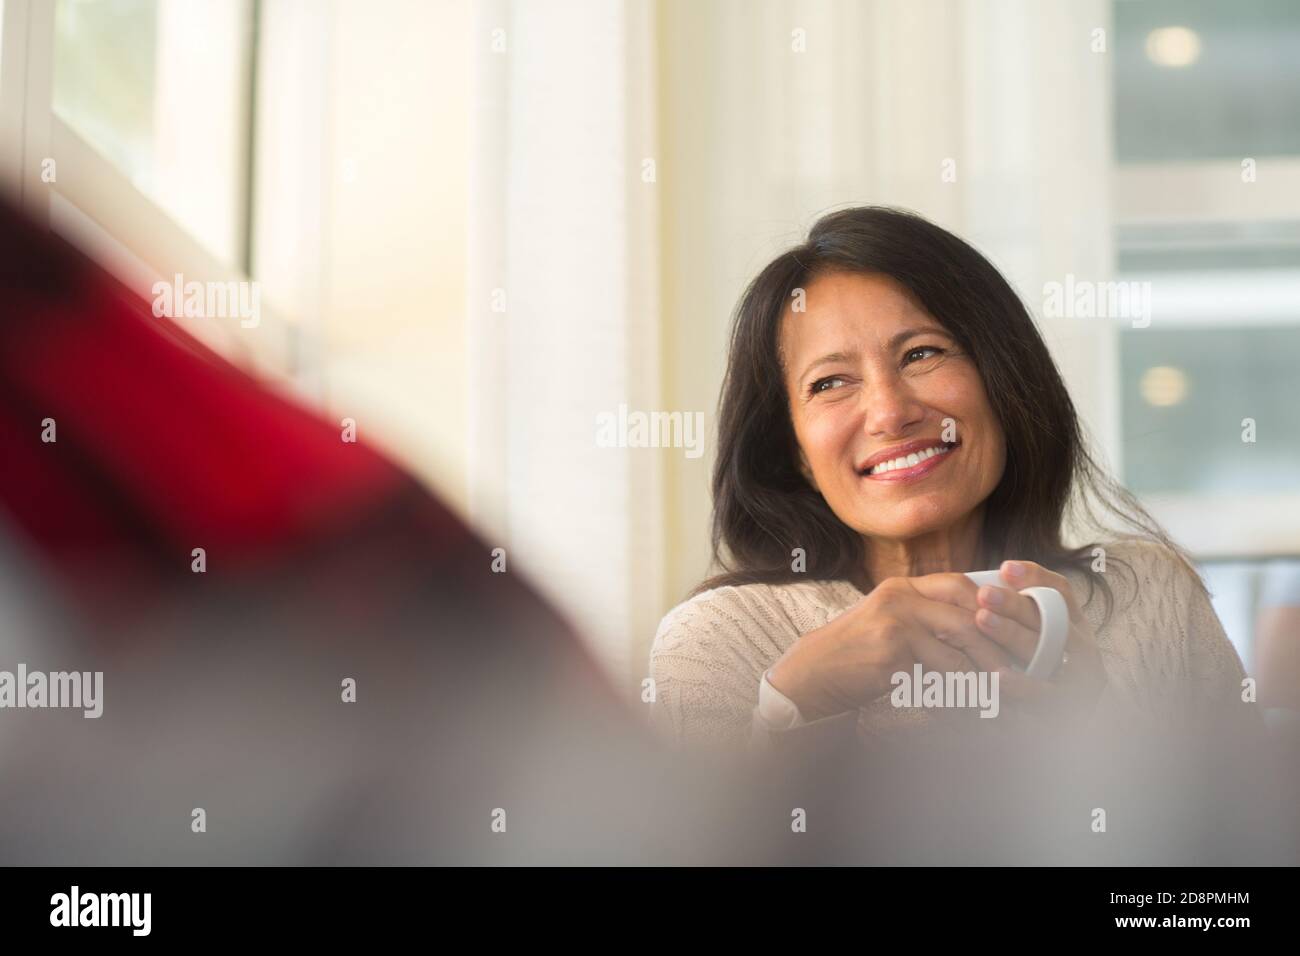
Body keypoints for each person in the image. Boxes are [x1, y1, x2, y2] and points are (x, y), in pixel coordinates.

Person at [648, 207, 1257, 754]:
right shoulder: (717, 643)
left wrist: (1093, 736)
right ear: (796, 452)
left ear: (1003, 383)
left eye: (921, 353)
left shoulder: (1151, 597)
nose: (890, 413)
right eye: (830, 383)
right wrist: (793, 712)